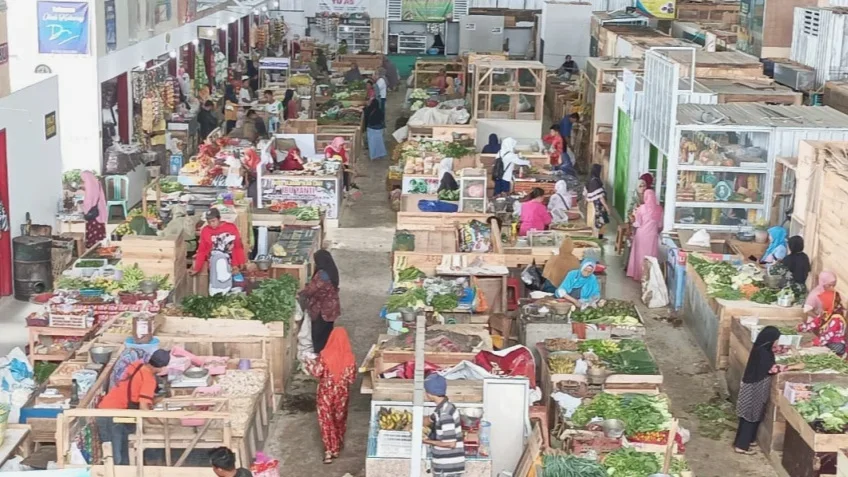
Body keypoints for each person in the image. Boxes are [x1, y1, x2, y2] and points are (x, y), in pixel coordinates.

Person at [734, 326, 803, 454]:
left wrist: (788, 348)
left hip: (753, 385)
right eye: (776, 340)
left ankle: (748, 440)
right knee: (750, 415)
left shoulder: (761, 347)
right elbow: (773, 369)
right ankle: (741, 446)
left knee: (751, 415)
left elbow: (774, 351)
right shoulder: (763, 354)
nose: (777, 343)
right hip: (755, 387)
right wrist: (795, 367)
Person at [97, 349, 171, 465]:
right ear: (162, 368)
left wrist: (156, 400)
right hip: (110, 415)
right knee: (114, 458)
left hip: (115, 411)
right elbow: (143, 409)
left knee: (124, 457)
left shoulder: (137, 365)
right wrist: (162, 425)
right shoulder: (149, 379)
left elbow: (134, 391)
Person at [306, 327, 356, 464]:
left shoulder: (325, 355)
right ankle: (338, 445)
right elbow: (351, 378)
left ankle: (329, 451)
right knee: (339, 418)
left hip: (326, 393)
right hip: (342, 393)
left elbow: (317, 372)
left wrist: (309, 363)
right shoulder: (349, 357)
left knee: (326, 420)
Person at [190, 209, 247, 295]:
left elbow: (238, 246)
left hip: (232, 265)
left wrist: (239, 263)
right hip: (215, 266)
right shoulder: (205, 231)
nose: (211, 224)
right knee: (218, 290)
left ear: (219, 219)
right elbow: (202, 251)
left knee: (234, 291)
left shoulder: (230, 227)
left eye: (213, 221)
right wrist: (197, 268)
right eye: (209, 222)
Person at [299, 250, 341, 353]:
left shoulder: (322, 275)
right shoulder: (331, 271)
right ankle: (327, 356)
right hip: (331, 309)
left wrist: (300, 293)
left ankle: (320, 358)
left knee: (318, 337)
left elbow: (311, 290)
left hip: (322, 311)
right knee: (327, 334)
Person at [423, 374, 465, 477]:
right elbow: (429, 419)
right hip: (445, 467)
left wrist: (425, 441)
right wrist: (412, 421)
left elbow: (450, 444)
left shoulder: (445, 414)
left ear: (430, 393)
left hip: (448, 469)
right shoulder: (444, 408)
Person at [627, 189, 663, 281]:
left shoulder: (641, 208)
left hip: (641, 235)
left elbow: (638, 223)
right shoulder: (659, 209)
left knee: (640, 255)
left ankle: (639, 275)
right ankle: (649, 276)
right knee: (651, 256)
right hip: (652, 236)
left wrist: (634, 218)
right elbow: (660, 225)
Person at [798, 290, 847, 355]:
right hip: (826, 341)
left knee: (816, 352)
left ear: (830, 303)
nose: (822, 303)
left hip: (836, 345)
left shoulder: (836, 318)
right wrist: (801, 327)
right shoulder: (826, 313)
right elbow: (815, 323)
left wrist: (813, 343)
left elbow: (828, 335)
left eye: (824, 302)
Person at [81, 171, 107, 248]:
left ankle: (93, 248)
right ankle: (100, 247)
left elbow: (89, 200)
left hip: (94, 213)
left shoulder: (89, 185)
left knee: (93, 232)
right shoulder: (97, 183)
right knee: (99, 232)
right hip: (99, 211)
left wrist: (84, 209)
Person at [585, 164, 610, 238]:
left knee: (592, 221)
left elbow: (585, 193)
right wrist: (607, 207)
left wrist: (585, 203)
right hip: (598, 205)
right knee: (601, 221)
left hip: (591, 204)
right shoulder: (596, 181)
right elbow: (601, 197)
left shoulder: (589, 179)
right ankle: (599, 237)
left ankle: (594, 236)